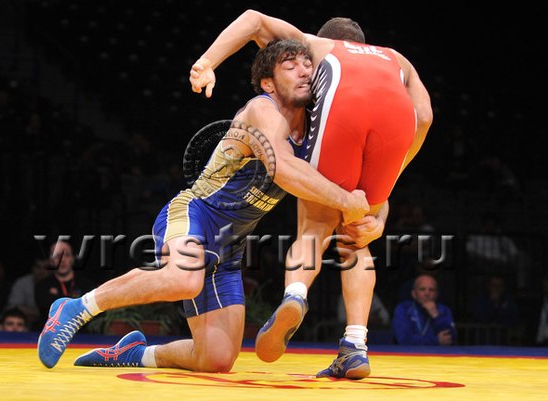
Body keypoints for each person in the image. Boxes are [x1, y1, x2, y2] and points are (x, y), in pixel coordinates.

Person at [37, 39, 369, 372]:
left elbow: (365, 185)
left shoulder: (315, 133)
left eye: (308, 64)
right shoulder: (261, 109)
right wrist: (347, 201)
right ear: (268, 83)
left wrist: (372, 218)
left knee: (216, 359)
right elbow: (282, 167)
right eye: (290, 65)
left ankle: (136, 353)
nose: (304, 71)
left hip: (229, 248)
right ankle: (77, 307)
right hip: (194, 213)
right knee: (184, 279)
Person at [189, 10, 432, 378]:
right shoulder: (396, 58)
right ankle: (355, 344)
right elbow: (424, 116)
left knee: (315, 224)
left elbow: (254, 19)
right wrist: (382, 191)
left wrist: (207, 63)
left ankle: (296, 295)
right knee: (357, 234)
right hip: (399, 118)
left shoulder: (318, 46)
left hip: (346, 104)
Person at [34, 241, 95, 321]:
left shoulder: (86, 285)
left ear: (73, 258)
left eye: (66, 255)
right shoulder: (42, 286)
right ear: (50, 260)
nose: (62, 260)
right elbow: (46, 312)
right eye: (57, 256)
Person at [391, 274, 456, 345]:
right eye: (422, 289)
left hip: (437, 352)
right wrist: (435, 340)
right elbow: (404, 340)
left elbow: (450, 338)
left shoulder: (444, 310)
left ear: (436, 294)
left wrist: (436, 315)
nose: (427, 293)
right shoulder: (403, 309)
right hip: (409, 352)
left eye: (431, 290)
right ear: (414, 294)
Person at [5, 258, 51, 329]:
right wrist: (41, 314)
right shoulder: (22, 283)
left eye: (45, 268)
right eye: (38, 267)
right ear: (33, 268)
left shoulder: (57, 283)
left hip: (51, 326)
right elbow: (14, 307)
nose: (42, 271)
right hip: (23, 326)